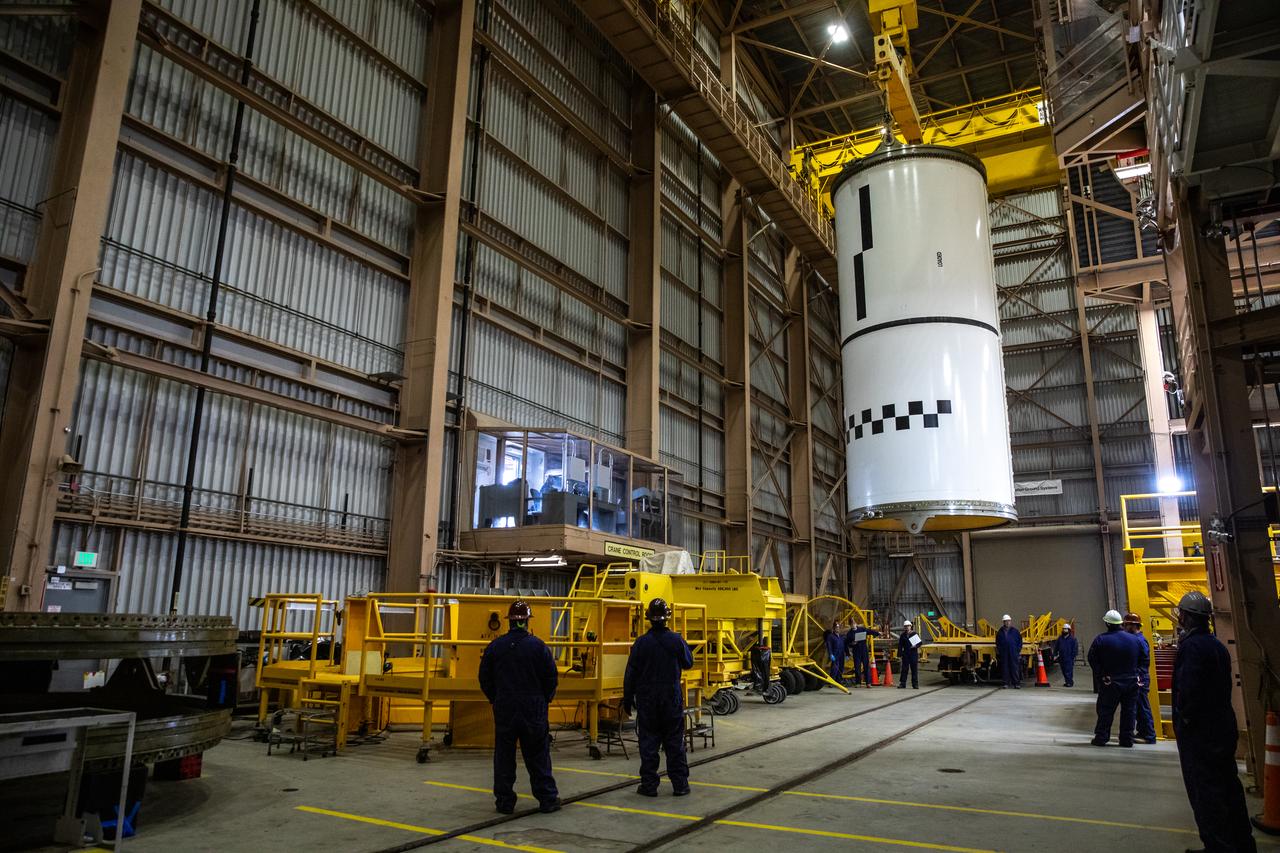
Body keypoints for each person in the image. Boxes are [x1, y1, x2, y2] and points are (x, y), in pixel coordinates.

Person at [1172, 590, 1257, 853]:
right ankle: (1243, 844)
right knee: (1228, 787)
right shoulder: (1216, 645)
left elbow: (1189, 691)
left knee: (1206, 793)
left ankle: (1218, 847)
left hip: (1201, 734)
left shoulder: (1192, 648)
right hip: (1221, 727)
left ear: (1185, 617)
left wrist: (1185, 720)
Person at [477, 600, 561, 814]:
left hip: (505, 706)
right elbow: (551, 677)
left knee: (504, 756)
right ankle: (547, 799)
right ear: (527, 620)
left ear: (510, 622)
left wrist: (495, 699)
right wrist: (544, 700)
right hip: (533, 706)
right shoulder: (539, 646)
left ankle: (505, 802)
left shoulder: (495, 646)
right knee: (538, 754)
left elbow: (484, 677)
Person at [623, 598, 694, 797]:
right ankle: (680, 785)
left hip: (647, 701)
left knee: (648, 743)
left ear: (649, 619)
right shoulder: (676, 640)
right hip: (670, 698)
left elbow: (630, 673)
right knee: (674, 742)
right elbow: (688, 663)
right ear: (667, 618)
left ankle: (649, 786)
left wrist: (627, 699)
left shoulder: (641, 643)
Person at [1086, 609, 1145, 748]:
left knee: (1106, 711)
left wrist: (1101, 675)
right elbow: (1144, 659)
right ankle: (1126, 740)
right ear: (1120, 623)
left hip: (1110, 682)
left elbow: (1092, 659)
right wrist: (1138, 675)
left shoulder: (1101, 640)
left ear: (1107, 623)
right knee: (1129, 712)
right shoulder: (1135, 640)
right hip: (1131, 681)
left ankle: (1101, 737)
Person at [1122, 612, 1157, 744]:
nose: (1124, 628)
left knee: (1142, 706)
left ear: (1132, 626)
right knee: (1139, 706)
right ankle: (1143, 731)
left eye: (1126, 625)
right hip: (1139, 676)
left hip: (1139, 678)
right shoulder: (1138, 640)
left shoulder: (1138, 641)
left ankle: (1149, 735)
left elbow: (1141, 661)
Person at [845, 621, 880, 687]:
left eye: (854, 623)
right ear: (850, 625)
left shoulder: (862, 629)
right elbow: (847, 643)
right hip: (856, 651)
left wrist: (877, 633)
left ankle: (868, 683)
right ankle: (858, 683)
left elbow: (869, 631)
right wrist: (852, 644)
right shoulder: (849, 634)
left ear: (856, 624)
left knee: (866, 666)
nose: (853, 625)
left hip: (864, 650)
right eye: (852, 624)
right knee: (857, 667)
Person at [996, 615, 1023, 689]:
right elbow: (998, 643)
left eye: (1008, 621)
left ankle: (1016, 683)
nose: (1007, 622)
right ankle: (1006, 683)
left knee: (1014, 668)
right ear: (1003, 622)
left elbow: (1020, 641)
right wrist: (1000, 651)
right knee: (1005, 668)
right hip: (1004, 653)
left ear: (1010, 621)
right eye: (1006, 621)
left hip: (1013, 652)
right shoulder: (1000, 632)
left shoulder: (1015, 631)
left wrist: (1018, 650)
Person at [897, 620, 920, 689]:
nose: (907, 627)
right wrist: (899, 654)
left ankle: (915, 684)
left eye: (908, 626)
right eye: (905, 626)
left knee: (914, 670)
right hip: (906, 654)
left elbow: (920, 643)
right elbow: (900, 645)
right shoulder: (903, 635)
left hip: (913, 654)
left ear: (910, 626)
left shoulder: (914, 634)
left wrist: (915, 646)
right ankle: (902, 683)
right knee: (904, 669)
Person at [1053, 623, 1078, 687]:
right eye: (1064, 629)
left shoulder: (1073, 639)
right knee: (1064, 670)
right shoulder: (1060, 638)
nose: (1064, 631)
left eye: (1066, 629)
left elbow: (1075, 648)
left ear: (1069, 630)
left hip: (1069, 657)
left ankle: (1069, 682)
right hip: (1062, 657)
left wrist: (1073, 656)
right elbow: (1056, 646)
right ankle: (1067, 681)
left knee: (1068, 670)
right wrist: (1055, 654)